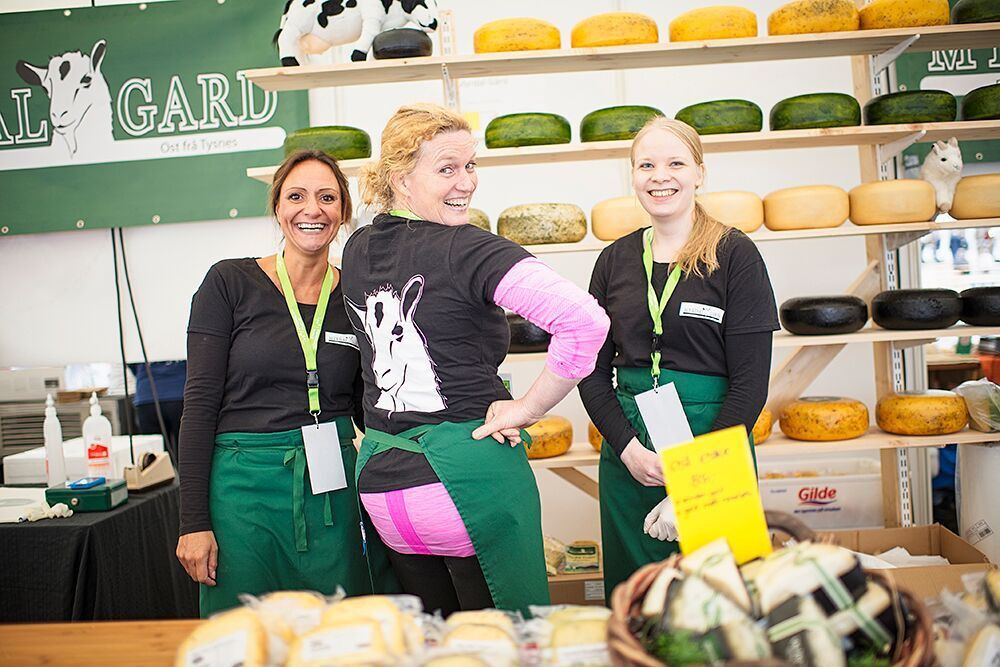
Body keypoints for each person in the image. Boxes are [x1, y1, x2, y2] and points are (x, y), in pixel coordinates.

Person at [341, 103, 609, 616]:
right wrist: (525, 409)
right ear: (400, 179)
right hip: (460, 485)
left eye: (470, 165)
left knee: (433, 645)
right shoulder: (467, 247)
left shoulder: (356, 248)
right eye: (446, 169)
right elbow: (586, 322)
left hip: (382, 488)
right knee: (502, 642)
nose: (466, 182)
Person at [175, 150, 395, 616]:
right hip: (242, 493)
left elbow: (368, 404)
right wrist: (193, 521)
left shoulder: (357, 297)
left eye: (327, 198)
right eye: (296, 196)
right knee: (245, 633)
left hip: (331, 485)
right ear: (278, 207)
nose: (312, 209)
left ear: (342, 214)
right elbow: (198, 405)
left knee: (340, 628)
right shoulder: (228, 283)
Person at [578, 117, 778, 602]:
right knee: (637, 603)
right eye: (646, 165)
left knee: (723, 602)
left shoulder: (735, 255)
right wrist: (627, 448)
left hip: (714, 440)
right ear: (633, 175)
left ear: (699, 173)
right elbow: (589, 369)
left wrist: (699, 481)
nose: (659, 176)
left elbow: (751, 385)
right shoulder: (613, 260)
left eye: (675, 163)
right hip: (632, 447)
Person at [128, 360, 185, 465]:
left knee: (154, 459)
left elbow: (132, 361)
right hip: (178, 391)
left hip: (147, 394)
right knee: (185, 452)